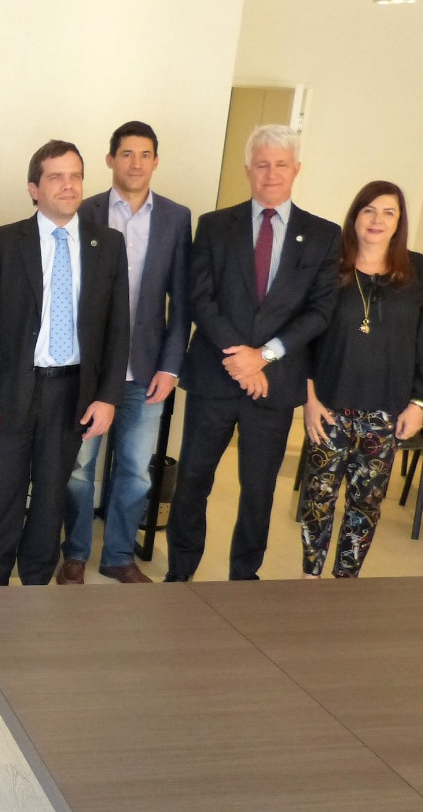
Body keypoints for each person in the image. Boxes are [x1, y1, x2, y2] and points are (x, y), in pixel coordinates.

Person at [165, 124, 339, 582]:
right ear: (248, 169)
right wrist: (241, 357)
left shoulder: (323, 235)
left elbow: (321, 311)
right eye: (262, 164)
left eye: (281, 164)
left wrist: (265, 356)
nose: (271, 173)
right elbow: (200, 298)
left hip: (274, 385)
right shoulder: (214, 225)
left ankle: (245, 579)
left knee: (258, 491)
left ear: (296, 169)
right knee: (193, 481)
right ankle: (180, 573)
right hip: (214, 377)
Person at [0, 139, 129, 586]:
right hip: (10, 391)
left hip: (72, 392)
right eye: (56, 177)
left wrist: (108, 398)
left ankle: (37, 584)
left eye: (75, 176)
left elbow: (118, 329)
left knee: (52, 496)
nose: (68, 185)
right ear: (34, 188)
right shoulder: (3, 241)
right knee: (2, 491)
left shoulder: (107, 244)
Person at [59, 122, 191, 584]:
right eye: (127, 153)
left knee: (136, 471)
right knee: (79, 469)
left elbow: (182, 301)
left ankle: (118, 556)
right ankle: (75, 554)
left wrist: (171, 367)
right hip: (89, 368)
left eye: (145, 154)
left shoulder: (176, 218)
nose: (136, 163)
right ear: (110, 159)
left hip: (148, 368)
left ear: (156, 161)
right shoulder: (84, 209)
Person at [300, 181, 423, 577]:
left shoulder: (420, 270)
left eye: (388, 212)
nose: (377, 220)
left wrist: (419, 404)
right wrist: (308, 398)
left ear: (399, 222)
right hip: (328, 408)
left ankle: (346, 583)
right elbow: (305, 338)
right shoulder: (329, 267)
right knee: (318, 500)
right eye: (369, 210)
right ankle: (309, 578)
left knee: (365, 505)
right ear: (355, 216)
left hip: (385, 412)